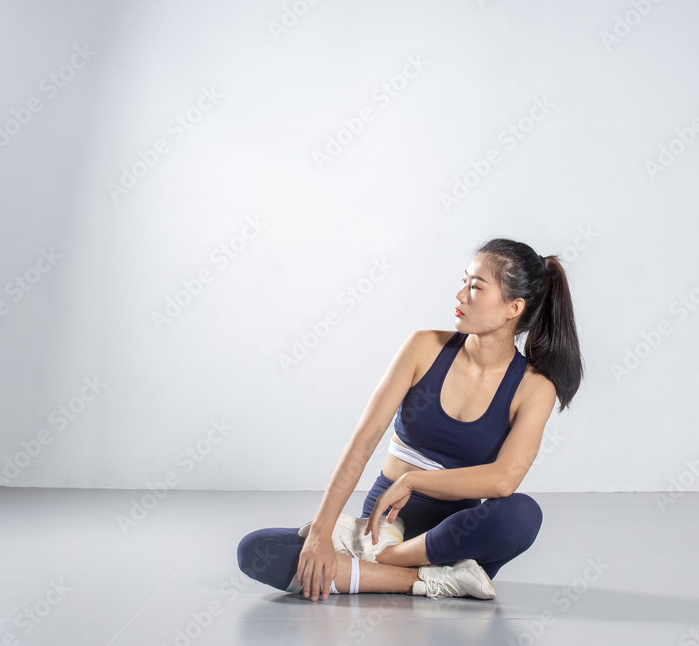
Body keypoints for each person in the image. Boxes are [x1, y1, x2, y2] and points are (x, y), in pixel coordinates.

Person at [237, 237, 583, 600]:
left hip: (452, 539)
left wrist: (413, 480)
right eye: (463, 281)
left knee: (523, 515)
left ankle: (382, 566)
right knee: (256, 550)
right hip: (384, 526)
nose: (460, 295)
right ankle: (431, 580)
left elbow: (503, 480)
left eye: (476, 287)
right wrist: (321, 534)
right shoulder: (424, 347)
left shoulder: (533, 387)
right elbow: (363, 442)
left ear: (514, 307)